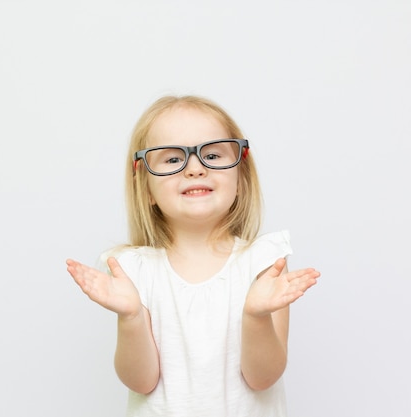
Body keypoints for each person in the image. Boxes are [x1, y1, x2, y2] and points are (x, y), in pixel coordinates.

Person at [66, 95, 320, 417]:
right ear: (146, 188)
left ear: (240, 177)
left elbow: (263, 378)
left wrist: (256, 316)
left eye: (212, 154)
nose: (196, 168)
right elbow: (141, 381)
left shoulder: (265, 262)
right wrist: (131, 317)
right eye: (173, 160)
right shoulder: (133, 270)